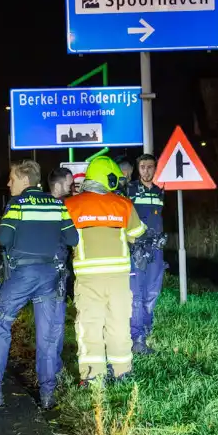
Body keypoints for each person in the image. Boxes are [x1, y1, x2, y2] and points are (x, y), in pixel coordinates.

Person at [0, 160, 78, 409]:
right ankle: (48, 395)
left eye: (12, 179)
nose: (8, 183)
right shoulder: (57, 205)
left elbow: (3, 238)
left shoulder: (16, 205)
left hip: (22, 276)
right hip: (51, 276)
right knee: (48, 337)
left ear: (25, 180)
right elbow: (72, 237)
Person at [64, 156, 147, 383]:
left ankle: (92, 375)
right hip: (119, 278)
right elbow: (137, 234)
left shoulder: (71, 205)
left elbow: (64, 239)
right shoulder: (124, 204)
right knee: (119, 324)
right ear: (109, 179)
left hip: (87, 278)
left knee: (89, 326)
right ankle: (123, 372)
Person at [126, 154, 165, 355]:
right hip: (137, 250)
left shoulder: (160, 192)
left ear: (155, 168)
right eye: (143, 167)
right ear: (137, 169)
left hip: (156, 250)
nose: (146, 171)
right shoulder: (130, 190)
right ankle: (137, 338)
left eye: (150, 167)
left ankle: (146, 331)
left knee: (153, 292)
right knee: (136, 295)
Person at [46, 166, 75, 387]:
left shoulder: (42, 205)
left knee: (51, 321)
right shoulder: (61, 207)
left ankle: (51, 367)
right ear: (58, 185)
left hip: (48, 271)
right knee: (55, 321)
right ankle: (52, 372)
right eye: (69, 183)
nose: (72, 187)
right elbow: (72, 238)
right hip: (57, 271)